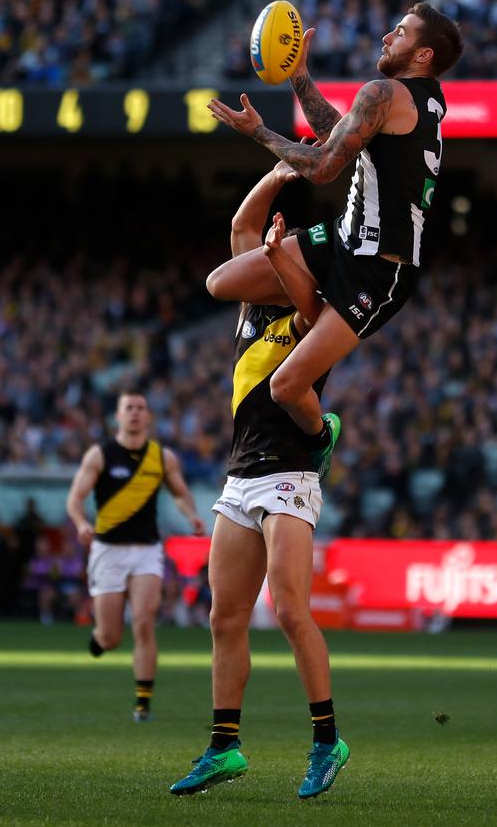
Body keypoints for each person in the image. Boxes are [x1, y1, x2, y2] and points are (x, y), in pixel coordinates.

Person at [206, 2, 463, 469]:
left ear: (423, 55)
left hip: (379, 270)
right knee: (220, 284)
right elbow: (339, 135)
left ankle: (322, 435)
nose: (387, 36)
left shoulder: (384, 91)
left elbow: (324, 167)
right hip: (341, 239)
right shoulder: (421, 99)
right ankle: (304, 314)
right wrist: (300, 77)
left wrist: (260, 133)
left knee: (285, 387)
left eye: (400, 32)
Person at [169, 159, 349, 800]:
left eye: (272, 266)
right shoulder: (250, 309)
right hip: (240, 477)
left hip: (288, 476)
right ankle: (224, 747)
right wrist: (277, 174)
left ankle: (327, 741)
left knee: (292, 610)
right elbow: (241, 229)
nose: (262, 268)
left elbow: (298, 288)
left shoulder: (310, 316)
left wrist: (285, 254)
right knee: (225, 617)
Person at [66, 390, 206, 721]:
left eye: (141, 408)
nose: (135, 413)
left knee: (144, 622)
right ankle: (100, 639)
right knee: (112, 636)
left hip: (146, 551)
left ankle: (143, 702)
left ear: (148, 417)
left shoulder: (161, 457)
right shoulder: (100, 455)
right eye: (129, 408)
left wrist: (191, 515)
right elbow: (75, 498)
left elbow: (181, 493)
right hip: (108, 550)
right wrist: (80, 522)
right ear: (118, 416)